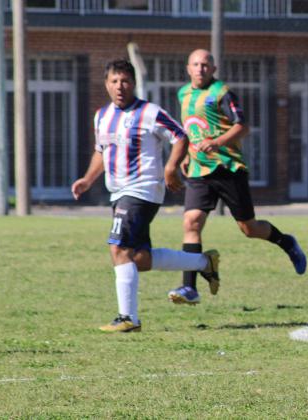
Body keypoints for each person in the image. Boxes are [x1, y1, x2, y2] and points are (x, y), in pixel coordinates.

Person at [72, 59, 220, 333]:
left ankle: (128, 318)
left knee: (118, 249)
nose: (120, 86)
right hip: (119, 191)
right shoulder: (101, 116)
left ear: (134, 84)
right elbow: (101, 151)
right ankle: (204, 262)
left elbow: (180, 136)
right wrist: (87, 179)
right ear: (106, 84)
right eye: (114, 81)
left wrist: (170, 167)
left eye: (125, 81)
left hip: (142, 189)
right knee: (138, 258)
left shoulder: (149, 112)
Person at [167, 49, 307, 305]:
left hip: (228, 168)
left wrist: (218, 142)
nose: (200, 69)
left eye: (205, 65)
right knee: (191, 223)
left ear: (214, 68)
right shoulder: (183, 94)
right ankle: (189, 288)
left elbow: (242, 125)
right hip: (199, 170)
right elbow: (189, 128)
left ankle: (287, 242)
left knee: (249, 228)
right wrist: (186, 155)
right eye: (196, 65)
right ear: (188, 68)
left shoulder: (221, 93)